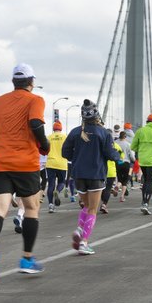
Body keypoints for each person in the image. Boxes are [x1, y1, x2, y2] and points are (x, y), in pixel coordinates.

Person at [0, 63, 49, 285]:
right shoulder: (35, 100)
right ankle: (27, 259)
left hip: (0, 163)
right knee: (31, 207)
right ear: (31, 82)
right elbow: (36, 122)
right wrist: (43, 143)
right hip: (25, 163)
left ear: (13, 82)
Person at [62, 99, 120, 255]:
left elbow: (65, 153)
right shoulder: (104, 133)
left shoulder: (75, 132)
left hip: (78, 174)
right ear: (97, 115)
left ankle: (80, 229)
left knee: (86, 206)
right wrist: (117, 156)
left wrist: (78, 156)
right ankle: (84, 242)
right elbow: (110, 154)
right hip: (96, 174)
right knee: (93, 209)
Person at [45, 120, 68, 213]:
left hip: (50, 163)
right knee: (62, 182)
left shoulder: (48, 137)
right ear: (61, 128)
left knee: (51, 184)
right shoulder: (65, 137)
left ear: (53, 128)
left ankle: (50, 205)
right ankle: (57, 191)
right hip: (62, 163)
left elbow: (45, 149)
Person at [115, 131, 132, 203]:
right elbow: (131, 155)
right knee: (125, 181)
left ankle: (118, 185)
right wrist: (133, 160)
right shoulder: (128, 144)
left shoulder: (115, 142)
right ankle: (122, 196)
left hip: (118, 162)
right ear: (125, 137)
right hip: (126, 162)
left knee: (119, 178)